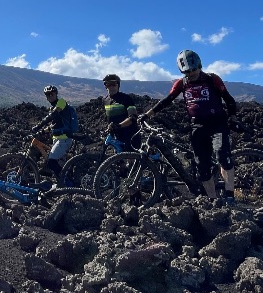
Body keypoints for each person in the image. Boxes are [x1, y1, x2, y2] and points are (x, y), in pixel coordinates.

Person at [142, 50, 238, 202]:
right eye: (187, 71)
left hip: (217, 125)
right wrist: (147, 114)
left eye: (194, 69)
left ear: (200, 65)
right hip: (197, 128)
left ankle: (230, 197)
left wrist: (232, 117)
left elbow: (229, 99)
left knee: (222, 156)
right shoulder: (182, 83)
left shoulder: (212, 79)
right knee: (202, 167)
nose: (191, 73)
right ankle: (213, 201)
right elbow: (167, 101)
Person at [31, 85, 78, 181]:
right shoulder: (52, 108)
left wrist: (38, 126)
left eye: (52, 94)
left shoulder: (61, 102)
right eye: (47, 95)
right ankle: (67, 186)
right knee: (61, 165)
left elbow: (53, 115)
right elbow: (53, 125)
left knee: (51, 162)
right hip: (57, 139)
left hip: (64, 139)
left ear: (56, 94)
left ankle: (67, 183)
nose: (50, 96)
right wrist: (41, 132)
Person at [101, 74, 138, 149]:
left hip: (130, 135)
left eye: (114, 84)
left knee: (130, 159)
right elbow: (108, 118)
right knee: (117, 158)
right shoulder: (105, 100)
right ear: (105, 86)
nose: (111, 87)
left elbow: (133, 117)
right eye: (108, 84)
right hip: (116, 135)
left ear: (118, 85)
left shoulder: (126, 98)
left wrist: (119, 125)